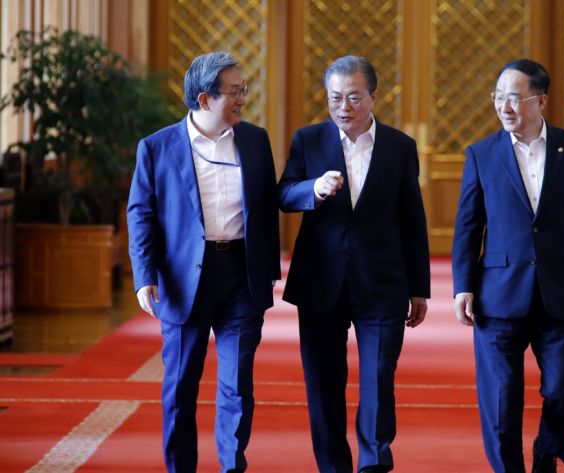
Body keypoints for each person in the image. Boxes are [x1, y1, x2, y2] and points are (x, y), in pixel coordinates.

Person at [451, 59, 564, 473]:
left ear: (541, 101)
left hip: (559, 293)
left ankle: (546, 450)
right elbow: (468, 226)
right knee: (501, 405)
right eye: (498, 98)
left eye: (515, 99)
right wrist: (462, 286)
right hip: (498, 296)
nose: (504, 107)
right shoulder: (481, 154)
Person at [127, 51, 280, 473]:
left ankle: (232, 466)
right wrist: (144, 276)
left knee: (237, 385)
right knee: (180, 386)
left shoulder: (255, 141)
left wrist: (268, 271)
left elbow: (267, 206)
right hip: (183, 281)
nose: (243, 99)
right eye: (234, 92)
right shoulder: (156, 147)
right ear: (204, 99)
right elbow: (140, 214)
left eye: (243, 90)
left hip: (241, 277)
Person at [278, 55, 430, 473]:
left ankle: (374, 463)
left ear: (373, 96)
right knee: (324, 385)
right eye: (335, 98)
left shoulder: (400, 146)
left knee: (378, 378)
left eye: (353, 97)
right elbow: (284, 194)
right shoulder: (308, 140)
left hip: (382, 283)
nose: (343, 107)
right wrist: (314, 189)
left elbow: (412, 219)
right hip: (320, 281)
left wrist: (419, 288)